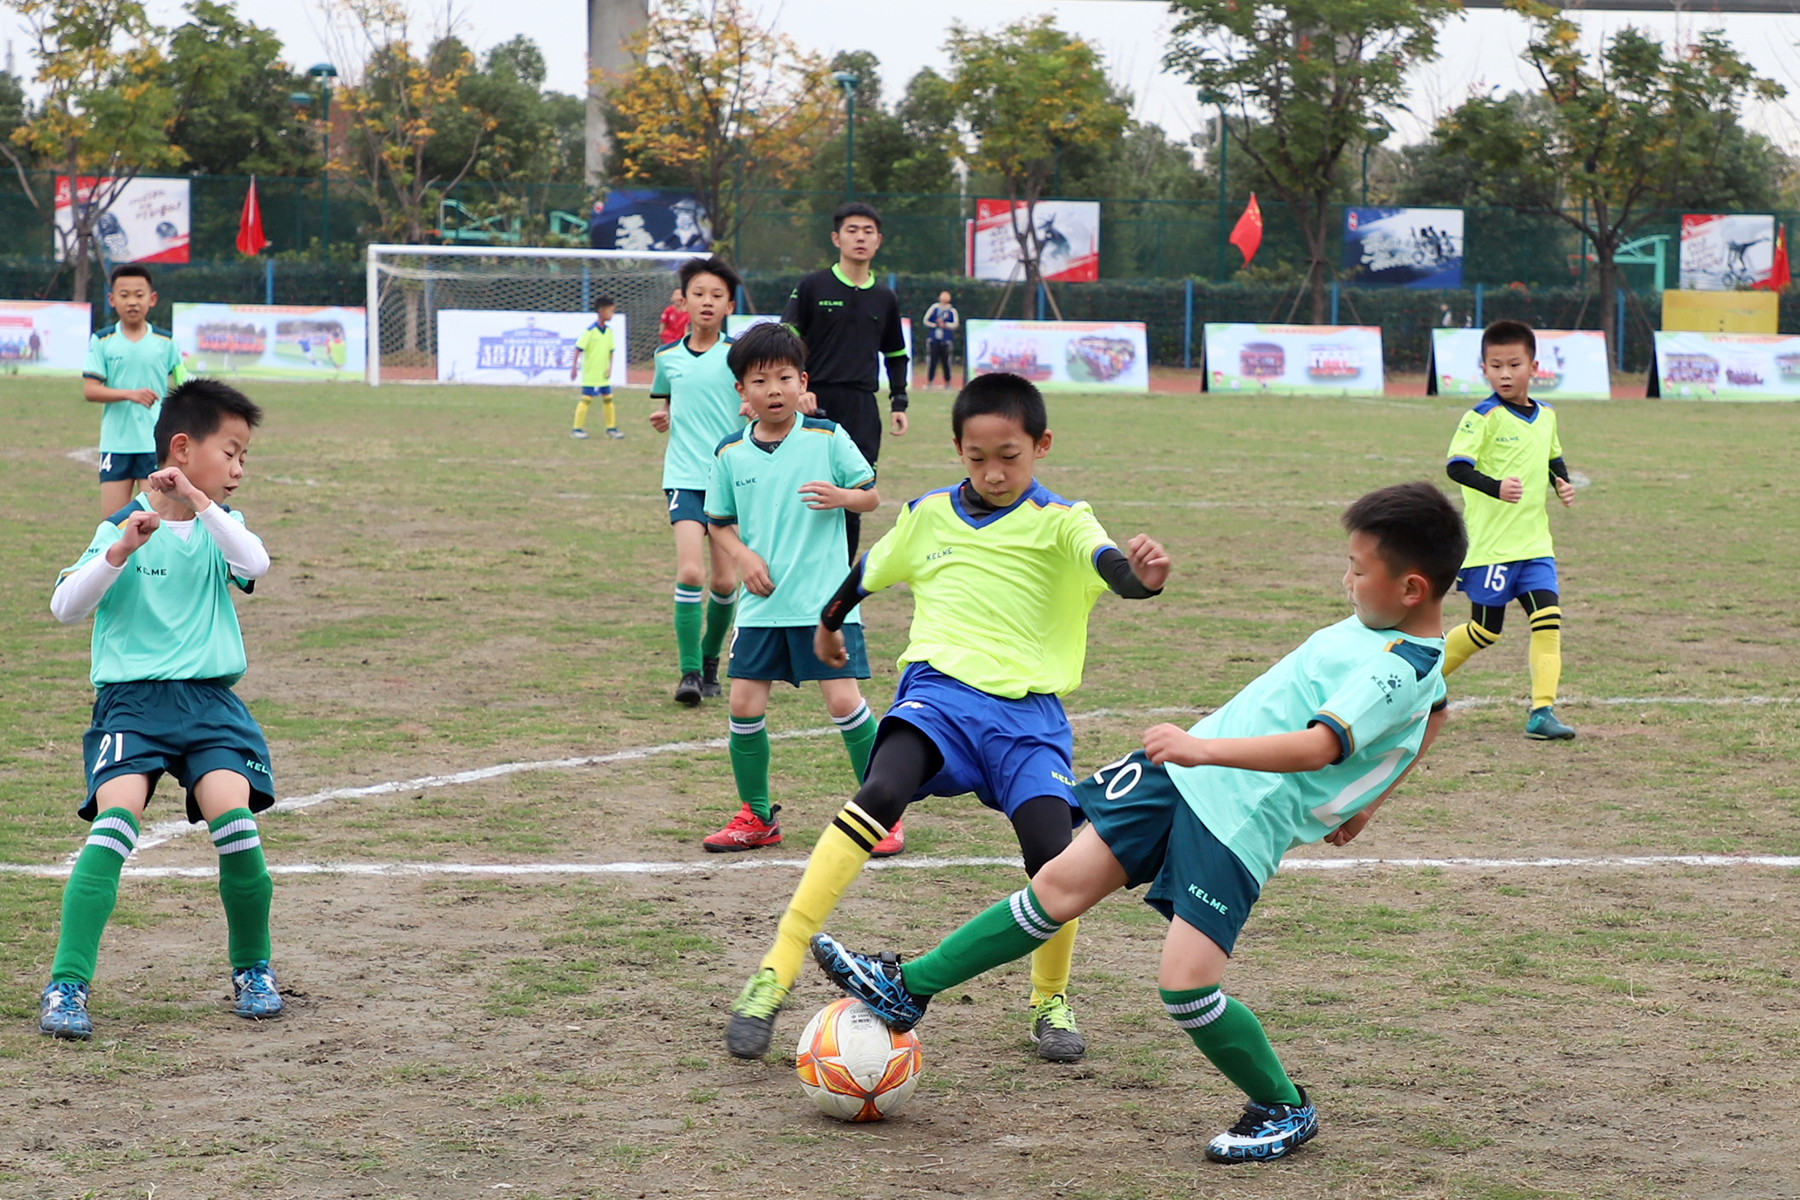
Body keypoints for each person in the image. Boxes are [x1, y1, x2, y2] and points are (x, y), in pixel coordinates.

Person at [812, 481, 1465, 1164]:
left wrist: (1204, 748)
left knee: (1186, 987)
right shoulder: (1387, 632)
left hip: (1239, 817)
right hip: (1179, 776)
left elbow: (1321, 746)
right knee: (1057, 886)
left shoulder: (1397, 667)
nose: (1346, 580)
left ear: (1411, 588)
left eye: (1358, 570)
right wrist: (1368, 800)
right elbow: (1439, 709)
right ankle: (908, 987)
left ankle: (1282, 1105)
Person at [725, 371, 1171, 1064]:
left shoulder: (1065, 521)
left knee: (1055, 858)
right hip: (940, 696)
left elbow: (1115, 571)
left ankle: (1049, 999)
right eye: (977, 457)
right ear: (958, 449)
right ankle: (774, 971)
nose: (993, 472)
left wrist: (1144, 578)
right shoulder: (929, 514)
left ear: (1041, 445)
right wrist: (829, 623)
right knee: (878, 793)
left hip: (1029, 720)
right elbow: (870, 569)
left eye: (1009, 457)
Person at [39, 378, 279, 1040]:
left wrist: (198, 500)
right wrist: (120, 551)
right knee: (116, 821)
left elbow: (256, 562)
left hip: (209, 703)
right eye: (230, 452)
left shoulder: (221, 528)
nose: (239, 468)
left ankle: (253, 969)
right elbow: (65, 607)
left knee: (235, 822)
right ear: (182, 447)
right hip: (133, 705)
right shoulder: (119, 527)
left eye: (244, 457)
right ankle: (66, 983)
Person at [700, 323, 881, 852]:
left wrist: (843, 497)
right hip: (761, 607)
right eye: (760, 381)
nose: (774, 390)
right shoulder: (730, 452)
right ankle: (757, 817)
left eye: (784, 377)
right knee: (743, 706)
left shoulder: (826, 437)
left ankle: (881, 813)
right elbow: (718, 522)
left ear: (803, 382)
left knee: (844, 702)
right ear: (742, 391)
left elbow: (870, 495)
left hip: (824, 605)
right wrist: (744, 557)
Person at [1441, 319, 1578, 740]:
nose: (1505, 374)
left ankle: (1542, 712)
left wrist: (1561, 482)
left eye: (1514, 365)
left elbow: (1552, 456)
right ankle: (1419, 680)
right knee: (1484, 631)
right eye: (1495, 366)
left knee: (1548, 621)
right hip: (1492, 548)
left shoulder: (1547, 415)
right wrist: (1495, 487)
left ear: (1533, 367)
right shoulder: (1482, 416)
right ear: (1483, 369)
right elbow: (1457, 466)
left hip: (1535, 545)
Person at [781, 202, 910, 560]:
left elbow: (896, 354)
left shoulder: (884, 298)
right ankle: (797, 574)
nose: (860, 238)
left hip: (862, 409)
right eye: (852, 230)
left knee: (855, 498)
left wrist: (899, 402)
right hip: (814, 404)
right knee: (805, 494)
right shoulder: (812, 286)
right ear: (836, 238)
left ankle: (838, 582)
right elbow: (785, 341)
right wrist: (799, 391)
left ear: (878, 241)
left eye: (868, 232)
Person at [651, 257, 745, 706]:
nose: (707, 302)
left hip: (729, 481)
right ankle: (689, 672)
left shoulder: (739, 357)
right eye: (699, 293)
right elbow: (668, 401)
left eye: (717, 295)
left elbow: (757, 398)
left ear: (730, 306)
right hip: (684, 476)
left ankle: (710, 660)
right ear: (683, 301)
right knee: (691, 572)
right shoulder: (666, 358)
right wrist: (663, 415)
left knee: (725, 583)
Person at [83, 265, 188, 516]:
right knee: (113, 524)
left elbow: (183, 382)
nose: (132, 302)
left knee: (155, 521)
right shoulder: (102, 341)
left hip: (154, 443)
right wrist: (130, 394)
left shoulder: (166, 342)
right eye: (124, 295)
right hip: (115, 444)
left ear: (152, 299)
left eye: (139, 295)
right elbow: (90, 390)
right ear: (112, 300)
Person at [570, 296, 621, 440]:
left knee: (608, 399)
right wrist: (574, 367)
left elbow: (611, 351)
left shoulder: (609, 332)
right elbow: (578, 348)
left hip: (603, 373)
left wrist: (610, 368)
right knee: (587, 399)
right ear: (601, 311)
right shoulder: (590, 331)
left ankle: (611, 428)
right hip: (591, 373)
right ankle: (576, 428)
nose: (612, 314)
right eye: (610, 311)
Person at [922, 291, 958, 388]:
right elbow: (925, 320)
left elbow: (955, 324)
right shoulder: (934, 308)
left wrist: (945, 325)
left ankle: (948, 382)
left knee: (946, 362)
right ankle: (930, 381)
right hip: (933, 339)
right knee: (932, 361)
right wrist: (935, 324)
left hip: (946, 340)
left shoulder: (952, 311)